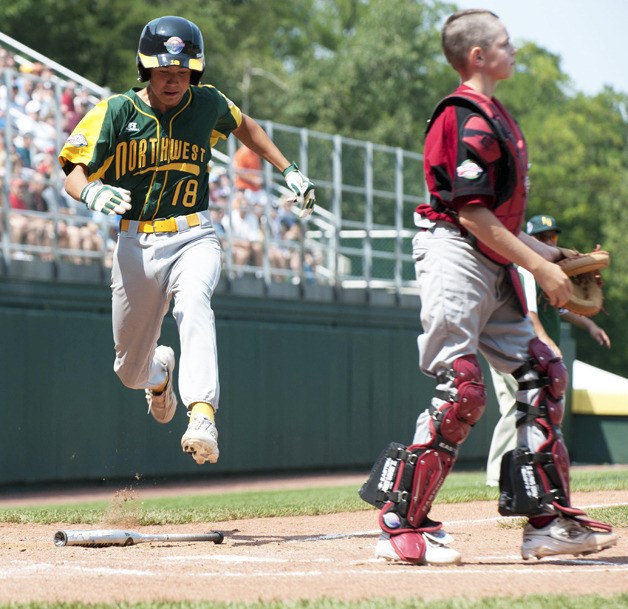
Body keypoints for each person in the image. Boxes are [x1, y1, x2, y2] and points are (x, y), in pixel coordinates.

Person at [361, 9, 617, 566]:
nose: (514, 49)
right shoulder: (463, 115)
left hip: (491, 254)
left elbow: (494, 217)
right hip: (455, 250)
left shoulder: (495, 113)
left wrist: (551, 254)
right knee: (463, 387)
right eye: (505, 43)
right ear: (477, 56)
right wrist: (542, 270)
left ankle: (547, 522)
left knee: (542, 373)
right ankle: (400, 521)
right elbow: (471, 214)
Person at [58, 15, 315, 465]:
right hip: (135, 243)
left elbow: (245, 125)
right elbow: (72, 175)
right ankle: (159, 376)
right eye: (163, 71)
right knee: (128, 370)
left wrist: (287, 168)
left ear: (193, 71)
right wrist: (91, 189)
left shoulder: (206, 103)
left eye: (181, 71)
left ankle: (202, 416)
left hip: (193, 234)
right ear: (146, 70)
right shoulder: (117, 111)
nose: (173, 79)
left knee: (194, 301)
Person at [485, 214, 611, 486]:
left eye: (552, 237)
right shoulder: (524, 268)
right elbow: (530, 313)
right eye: (541, 238)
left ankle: (527, 471)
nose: (548, 241)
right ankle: (498, 476)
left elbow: (564, 307)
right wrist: (546, 341)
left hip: (527, 351)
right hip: (514, 349)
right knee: (517, 408)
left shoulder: (545, 274)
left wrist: (590, 325)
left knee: (529, 409)